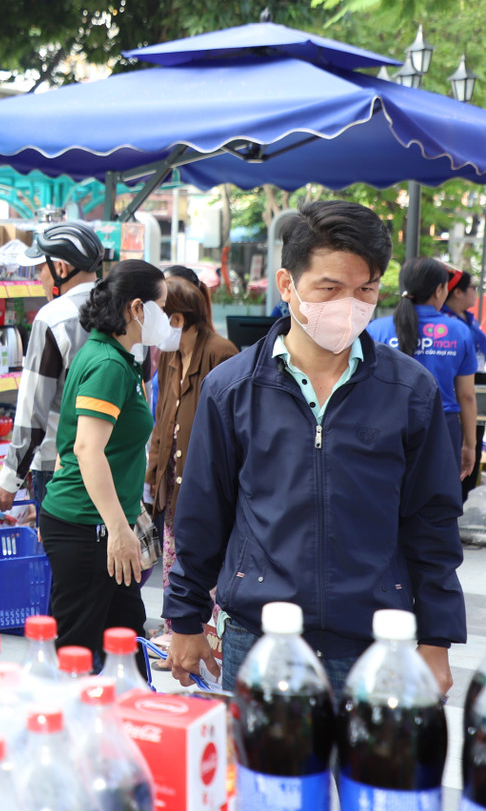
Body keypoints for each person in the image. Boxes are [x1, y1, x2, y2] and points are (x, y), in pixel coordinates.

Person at [165, 200, 466, 696]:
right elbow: (202, 512)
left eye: (365, 289)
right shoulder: (231, 388)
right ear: (287, 285)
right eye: (329, 288)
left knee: (370, 778)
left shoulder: (411, 392)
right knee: (266, 777)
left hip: (376, 646)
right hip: (258, 641)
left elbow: (431, 520)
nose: (349, 304)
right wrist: (184, 617)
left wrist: (436, 639)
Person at [38, 259, 168, 665]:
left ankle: (122, 718)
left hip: (97, 523)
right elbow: (86, 449)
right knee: (81, 651)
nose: (166, 319)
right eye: (161, 307)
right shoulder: (108, 364)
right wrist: (117, 528)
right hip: (88, 526)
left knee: (123, 639)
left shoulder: (111, 354)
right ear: (136, 310)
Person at [0, 222, 106, 513]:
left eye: (41, 267)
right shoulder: (126, 310)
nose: (39, 276)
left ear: (61, 269)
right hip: (114, 463)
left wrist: (10, 477)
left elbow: (33, 411)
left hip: (59, 464)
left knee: (60, 557)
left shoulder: (53, 317)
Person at [145, 271, 238, 635]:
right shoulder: (170, 357)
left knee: (205, 561)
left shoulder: (220, 353)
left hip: (204, 481)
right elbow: (163, 414)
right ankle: (176, 632)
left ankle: (209, 638)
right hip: (172, 477)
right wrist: (153, 472)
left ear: (178, 319)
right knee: (174, 559)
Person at [367, 257, 477, 480]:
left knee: (388, 500)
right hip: (442, 429)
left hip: (385, 427)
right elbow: (466, 396)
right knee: (436, 505)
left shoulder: (375, 330)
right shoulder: (459, 331)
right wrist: (470, 444)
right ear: (439, 290)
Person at [444, 267, 486, 494]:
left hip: (475, 393)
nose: (476, 293)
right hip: (459, 396)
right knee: (458, 454)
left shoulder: (467, 320)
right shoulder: (448, 325)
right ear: (457, 292)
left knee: (472, 449)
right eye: (473, 288)